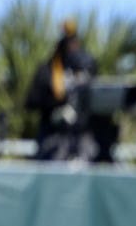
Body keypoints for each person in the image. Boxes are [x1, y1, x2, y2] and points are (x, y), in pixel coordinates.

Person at [25, 19, 97, 161]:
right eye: (68, 43)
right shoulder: (47, 71)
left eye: (74, 42)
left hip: (81, 137)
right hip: (51, 137)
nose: (72, 47)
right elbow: (31, 102)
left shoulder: (84, 68)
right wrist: (57, 106)